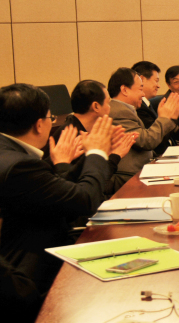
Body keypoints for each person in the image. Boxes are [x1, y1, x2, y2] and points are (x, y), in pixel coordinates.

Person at [0, 83, 114, 294]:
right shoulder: (20, 166)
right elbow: (85, 201)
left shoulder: (9, 154)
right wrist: (97, 153)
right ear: (39, 125)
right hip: (32, 279)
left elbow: (51, 196)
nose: (52, 122)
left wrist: (64, 165)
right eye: (50, 118)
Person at [46, 80, 138, 196]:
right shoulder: (70, 136)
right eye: (108, 103)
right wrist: (112, 156)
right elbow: (92, 185)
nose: (109, 108)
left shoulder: (84, 130)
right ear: (96, 106)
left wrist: (112, 155)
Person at [107, 68, 179, 192]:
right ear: (124, 90)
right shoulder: (118, 112)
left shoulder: (125, 109)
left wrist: (169, 118)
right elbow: (146, 141)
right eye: (140, 89)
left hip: (141, 170)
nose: (143, 94)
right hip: (129, 176)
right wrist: (164, 118)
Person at [131, 61, 161, 129]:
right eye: (156, 81)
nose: (158, 86)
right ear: (141, 79)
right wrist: (166, 117)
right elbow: (153, 133)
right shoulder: (138, 106)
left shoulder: (146, 103)